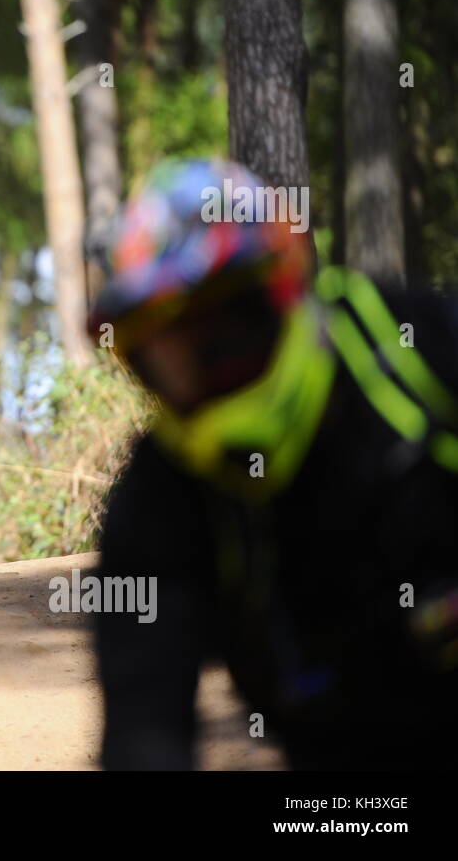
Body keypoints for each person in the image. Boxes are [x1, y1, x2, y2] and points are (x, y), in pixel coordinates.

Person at [90, 158, 458, 770]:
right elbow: (142, 721)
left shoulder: (413, 345)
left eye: (221, 330)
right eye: (168, 355)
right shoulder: (160, 495)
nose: (202, 371)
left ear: (283, 293)